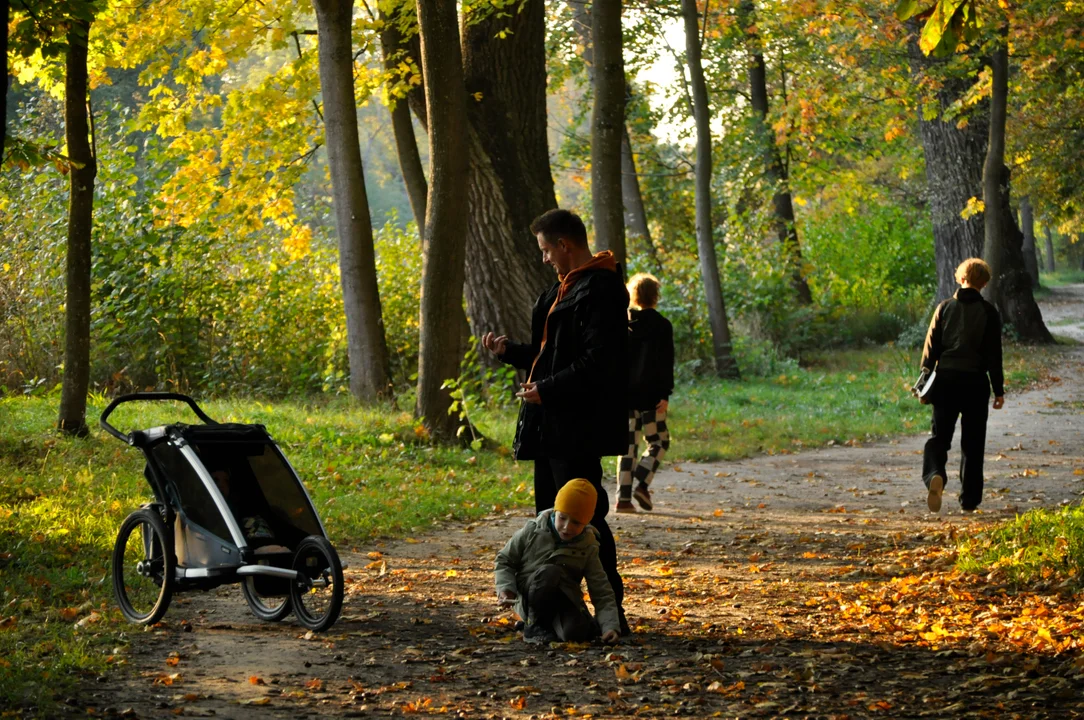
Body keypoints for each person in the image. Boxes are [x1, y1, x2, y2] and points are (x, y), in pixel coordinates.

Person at [481, 208, 628, 631]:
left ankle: (610, 614)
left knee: (585, 521)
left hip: (577, 426)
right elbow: (550, 358)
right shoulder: (558, 291)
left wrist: (549, 389)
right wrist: (511, 353)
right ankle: (548, 612)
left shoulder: (602, 289)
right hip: (547, 423)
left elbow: (599, 362)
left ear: (565, 245)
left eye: (547, 250)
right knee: (548, 520)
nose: (544, 258)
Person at [919, 258, 1005, 513]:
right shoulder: (989, 312)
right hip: (975, 384)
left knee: (939, 438)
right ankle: (969, 501)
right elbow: (994, 355)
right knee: (973, 443)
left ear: (960, 278)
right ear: (984, 282)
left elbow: (930, 352)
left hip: (946, 381)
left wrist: (923, 385)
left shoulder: (944, 308)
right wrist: (998, 390)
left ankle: (935, 474)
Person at [494, 480, 621, 644]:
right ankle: (533, 625)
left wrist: (609, 626)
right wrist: (506, 589)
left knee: (575, 634)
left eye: (576, 522)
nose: (567, 527)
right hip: (530, 595)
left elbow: (600, 589)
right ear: (556, 511)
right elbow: (505, 560)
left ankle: (556, 625)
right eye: (562, 518)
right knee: (550, 572)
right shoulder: (533, 530)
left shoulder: (588, 546)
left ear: (586, 522)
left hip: (562, 598)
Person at [616, 273, 674, 513]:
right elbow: (666, 362)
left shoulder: (622, 324)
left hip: (624, 398)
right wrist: (665, 394)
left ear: (633, 295)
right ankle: (642, 479)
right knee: (659, 441)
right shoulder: (662, 325)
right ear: (655, 296)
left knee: (627, 447)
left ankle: (623, 499)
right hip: (652, 398)